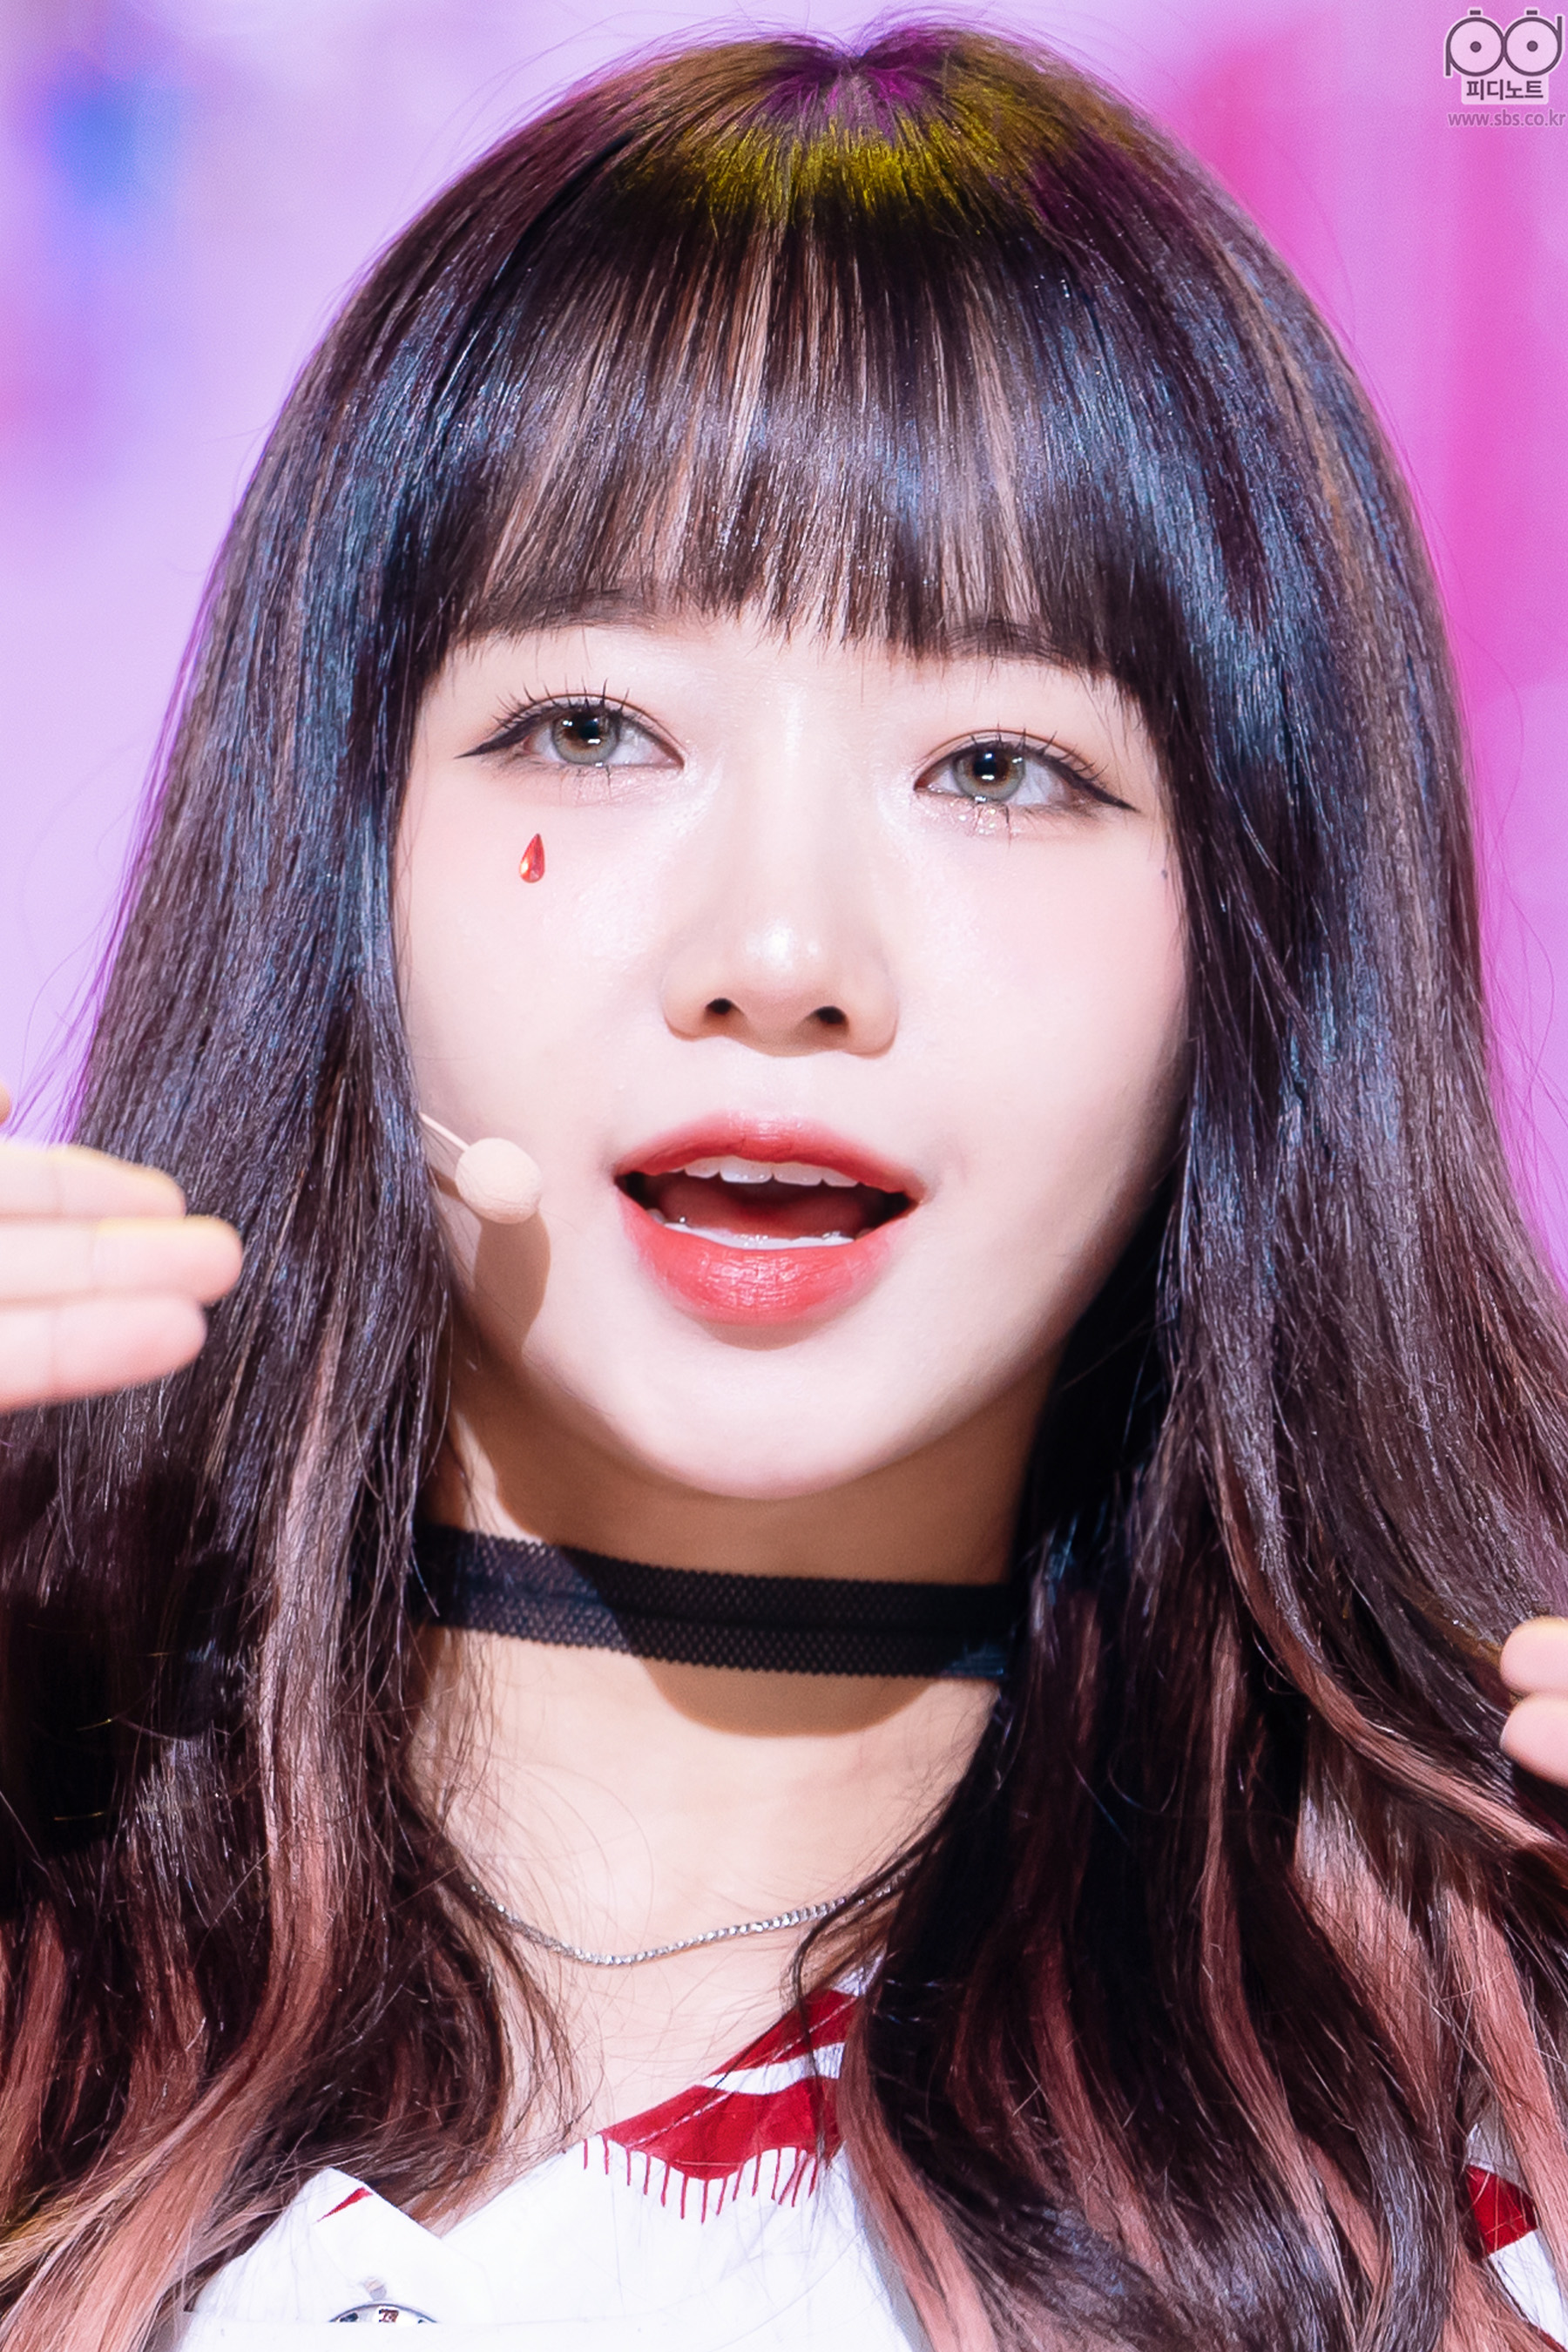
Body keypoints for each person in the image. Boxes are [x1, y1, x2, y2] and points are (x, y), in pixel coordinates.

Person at [3, 24, 1568, 2350]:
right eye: (593, 728)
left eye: (1003, 765)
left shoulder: (1472, 2103)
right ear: (344, 859)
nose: (780, 953)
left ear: (1255, 941)